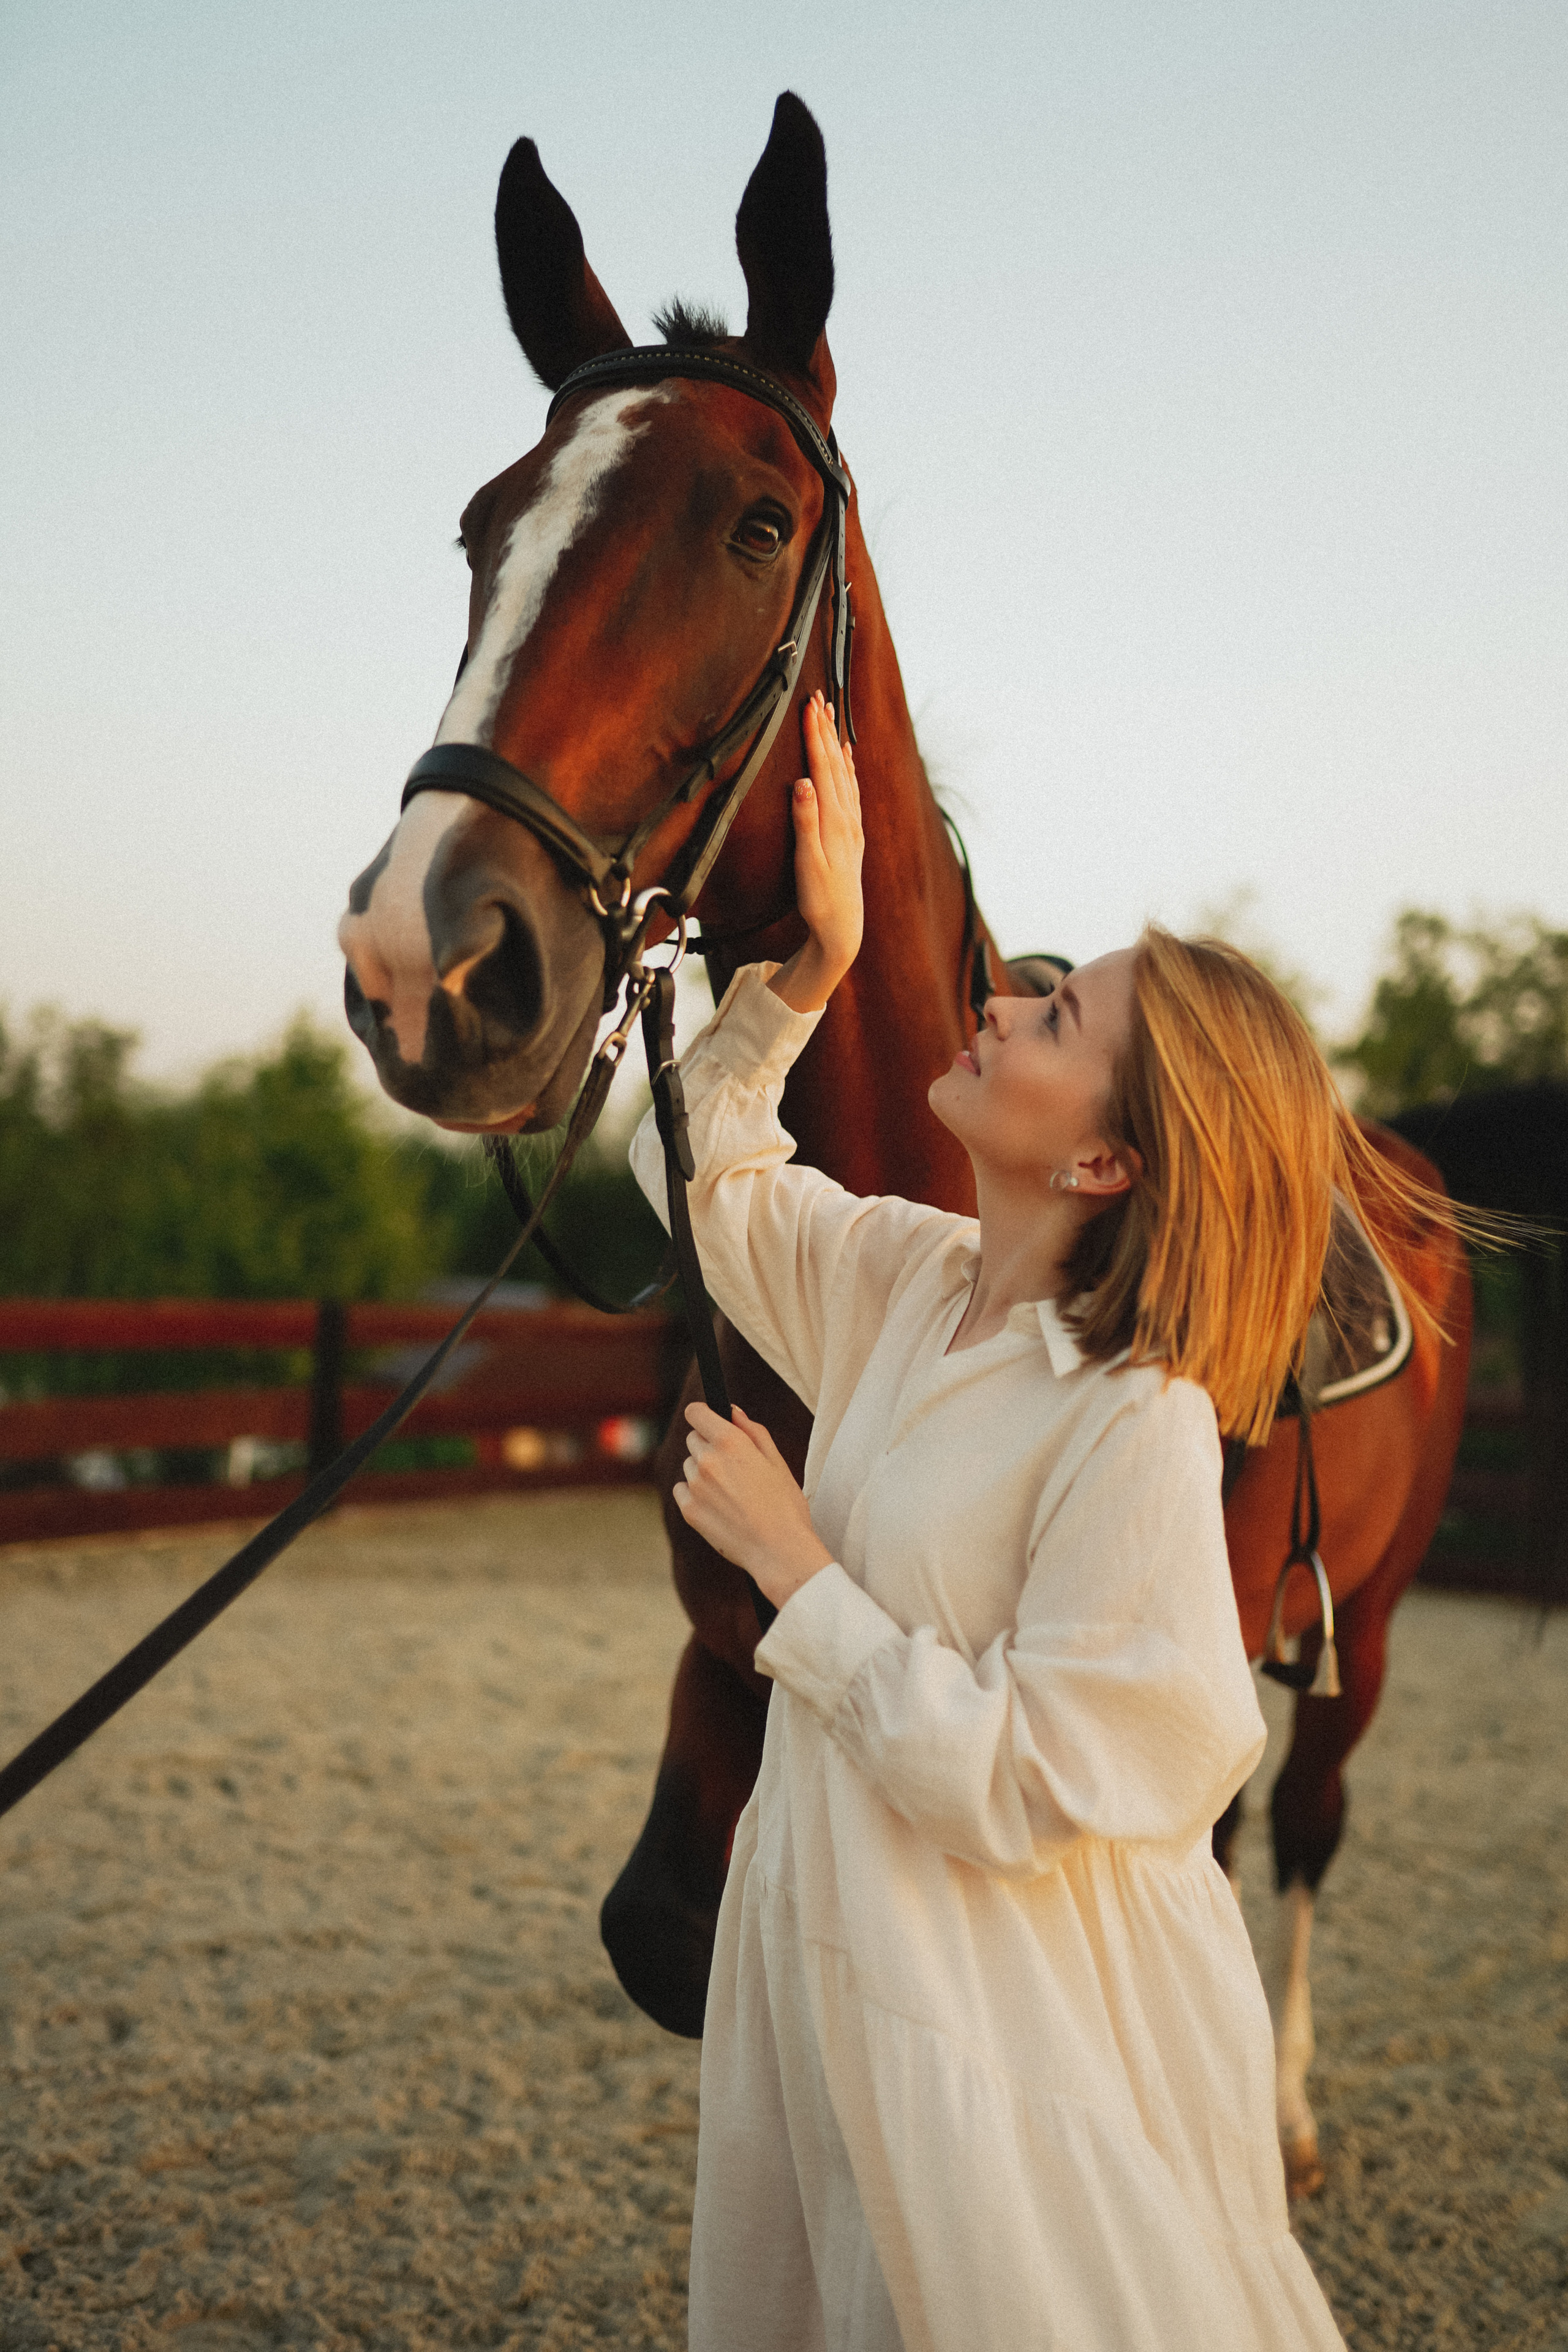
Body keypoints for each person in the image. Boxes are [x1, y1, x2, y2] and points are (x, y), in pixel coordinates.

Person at [629, 691, 1383, 2350]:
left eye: (1055, 1017)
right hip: (820, 1943)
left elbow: (1061, 1772)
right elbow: (695, 1168)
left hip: (985, 2010)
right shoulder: (908, 1280)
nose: (1005, 1003)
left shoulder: (1136, 1417)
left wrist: (799, 1577)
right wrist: (808, 978)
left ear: (1110, 1161)